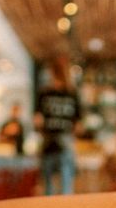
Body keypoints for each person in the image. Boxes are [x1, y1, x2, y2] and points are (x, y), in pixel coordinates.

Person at [34, 58, 81, 195]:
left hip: (51, 139)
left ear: (53, 73)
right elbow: (78, 124)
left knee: (48, 183)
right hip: (63, 140)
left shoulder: (44, 93)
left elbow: (37, 120)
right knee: (65, 182)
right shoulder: (72, 94)